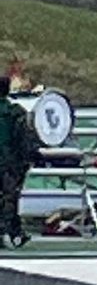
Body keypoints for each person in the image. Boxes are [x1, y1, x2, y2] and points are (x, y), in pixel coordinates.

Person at [0, 77, 37, 248]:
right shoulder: (15, 112)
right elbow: (24, 138)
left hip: (8, 160)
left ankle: (13, 231)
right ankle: (11, 231)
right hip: (10, 162)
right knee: (10, 197)